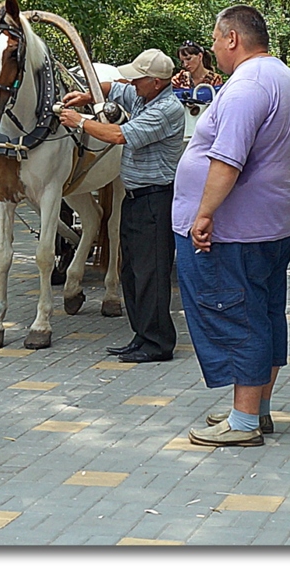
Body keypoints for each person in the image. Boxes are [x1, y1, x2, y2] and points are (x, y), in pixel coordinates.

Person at [172, 5, 290, 447]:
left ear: (232, 38)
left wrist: (204, 214)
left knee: (235, 315)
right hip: (275, 224)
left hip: (236, 231)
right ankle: (255, 407)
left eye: (215, 40)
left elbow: (226, 160)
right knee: (265, 312)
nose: (213, 49)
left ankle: (244, 422)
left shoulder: (244, 88)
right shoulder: (285, 79)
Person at [59, 49, 185, 363]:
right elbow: (113, 87)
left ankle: (158, 344)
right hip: (134, 199)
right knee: (131, 272)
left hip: (155, 200)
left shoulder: (167, 109)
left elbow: (118, 135)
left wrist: (80, 122)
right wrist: (87, 94)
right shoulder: (143, 96)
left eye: (138, 78)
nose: (132, 82)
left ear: (156, 82)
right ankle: (141, 336)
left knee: (150, 275)